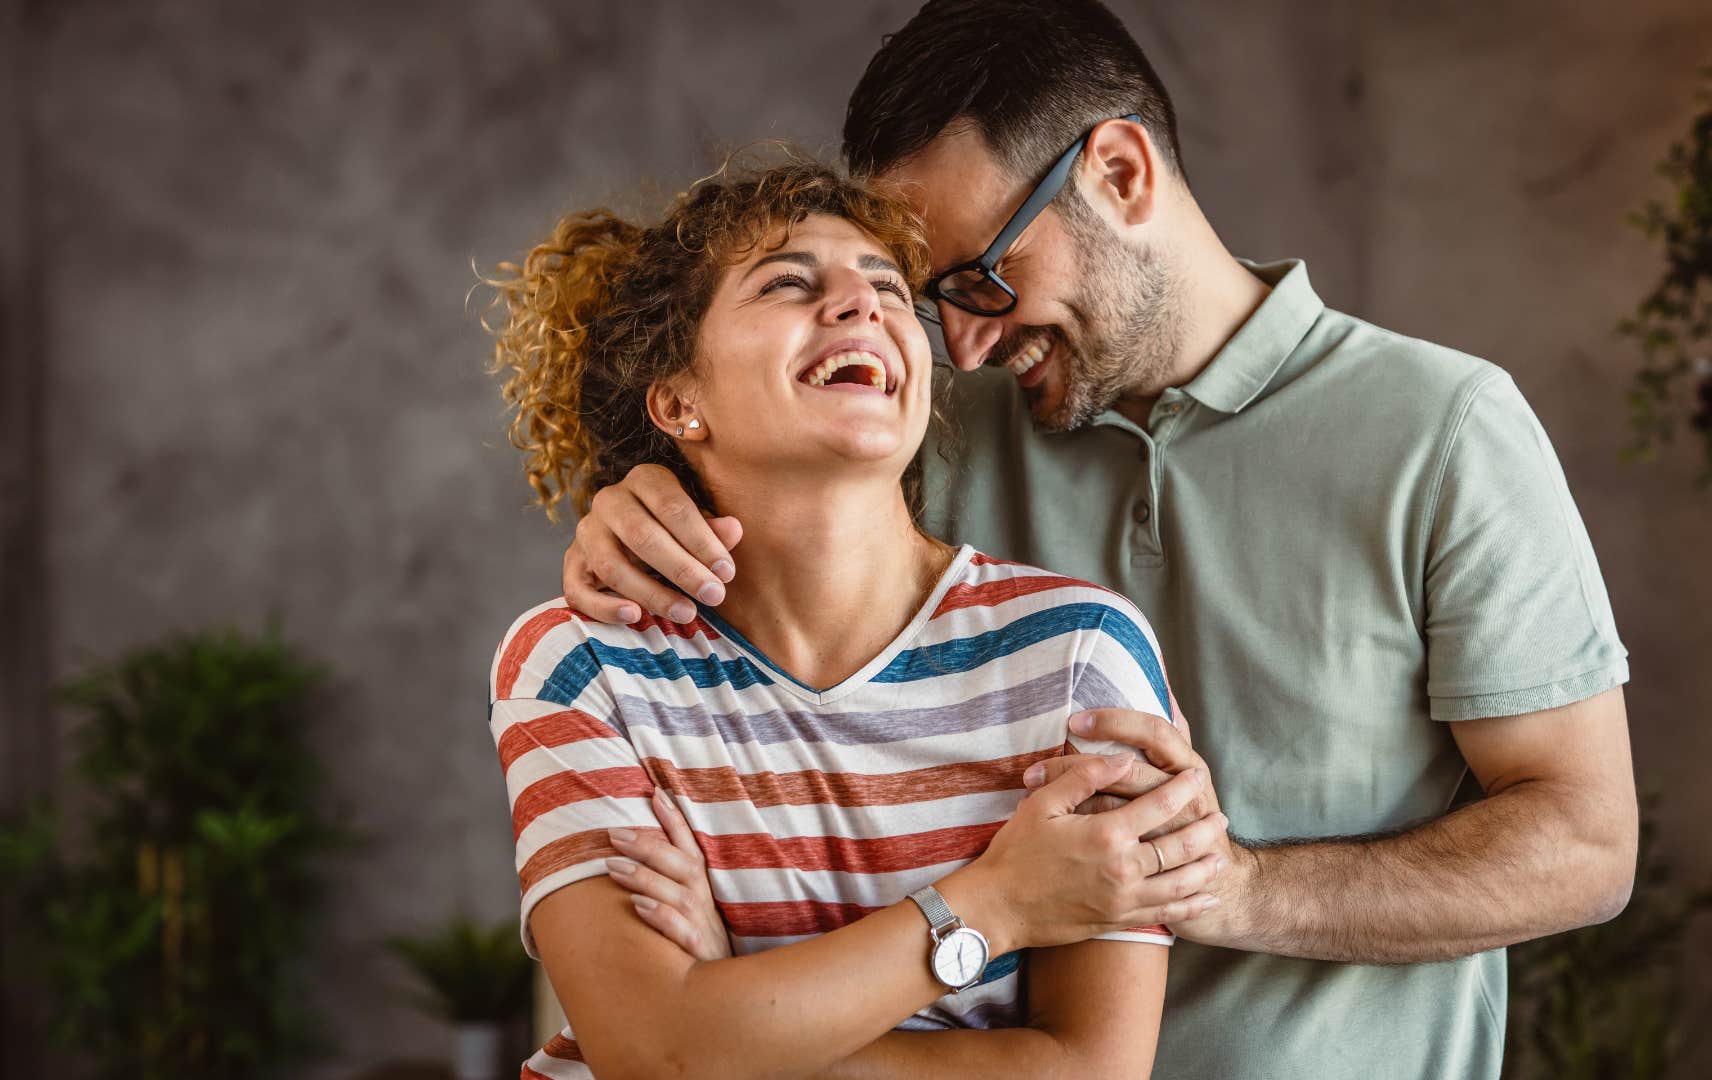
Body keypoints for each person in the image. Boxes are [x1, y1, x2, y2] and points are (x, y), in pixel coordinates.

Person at [558, 2, 1640, 1077]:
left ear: (1120, 175)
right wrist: (644, 504)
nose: (970, 344)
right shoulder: (933, 434)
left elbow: (1587, 845)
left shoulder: (1442, 430)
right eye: (937, 302)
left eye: (984, 279)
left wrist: (1225, 886)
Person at [484, 160, 1225, 1080]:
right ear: (680, 401)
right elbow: (656, 1052)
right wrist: (994, 902)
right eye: (790, 283)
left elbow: (1089, 1071)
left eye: (886, 287)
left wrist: (733, 1014)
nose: (864, 305)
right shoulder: (579, 663)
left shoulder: (1077, 655)